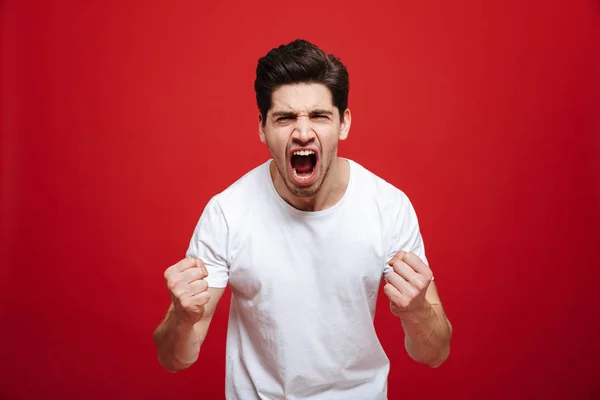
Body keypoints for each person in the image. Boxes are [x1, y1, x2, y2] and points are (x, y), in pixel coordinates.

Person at [153, 39, 453, 399]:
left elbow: (434, 353)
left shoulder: (388, 207)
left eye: (319, 116)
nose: (303, 132)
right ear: (263, 128)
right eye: (285, 117)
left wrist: (418, 310)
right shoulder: (228, 213)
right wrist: (182, 319)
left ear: (343, 123)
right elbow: (175, 359)